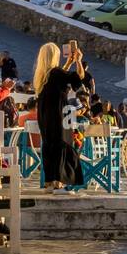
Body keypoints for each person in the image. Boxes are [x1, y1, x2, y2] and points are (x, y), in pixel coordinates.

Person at [34, 41, 85, 191]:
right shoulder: (56, 73)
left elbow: (60, 78)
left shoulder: (42, 75)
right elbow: (78, 78)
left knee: (49, 144)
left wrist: (68, 63)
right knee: (62, 143)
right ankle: (59, 182)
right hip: (57, 114)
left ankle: (50, 181)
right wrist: (78, 61)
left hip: (45, 115)